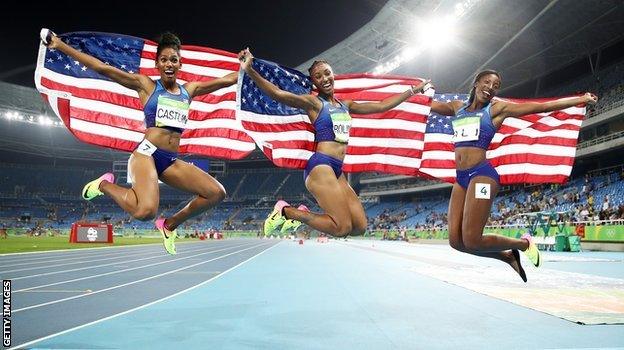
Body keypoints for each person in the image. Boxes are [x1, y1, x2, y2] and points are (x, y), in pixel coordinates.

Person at [41, 30, 237, 255]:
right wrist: (60, 46)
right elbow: (104, 69)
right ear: (157, 64)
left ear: (180, 63)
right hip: (146, 154)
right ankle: (104, 184)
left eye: (174, 59)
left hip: (170, 160)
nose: (169, 64)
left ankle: (169, 225)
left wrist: (247, 68)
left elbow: (226, 80)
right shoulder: (147, 86)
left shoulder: (189, 90)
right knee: (145, 211)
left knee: (216, 193)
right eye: (164, 60)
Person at [238, 49, 430, 237]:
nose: (324, 79)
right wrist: (250, 70)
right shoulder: (314, 104)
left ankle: (300, 212)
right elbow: (279, 94)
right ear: (314, 81)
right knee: (341, 227)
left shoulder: (346, 105)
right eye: (318, 76)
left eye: (327, 73)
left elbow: (382, 106)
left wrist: (412, 91)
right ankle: (285, 211)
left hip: (337, 170)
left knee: (359, 227)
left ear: (333, 74)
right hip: (320, 165)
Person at [430, 69, 597, 281]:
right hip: (461, 178)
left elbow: (541, 106)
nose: (490, 87)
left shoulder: (497, 109)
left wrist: (580, 99)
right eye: (487, 82)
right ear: (476, 83)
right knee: (456, 242)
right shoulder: (456, 107)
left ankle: (524, 244)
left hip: (482, 176)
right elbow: (425, 105)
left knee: (472, 240)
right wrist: (413, 91)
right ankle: (508, 257)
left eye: (496, 85)